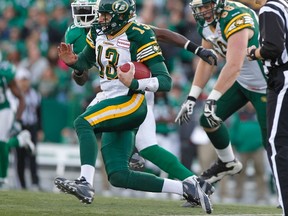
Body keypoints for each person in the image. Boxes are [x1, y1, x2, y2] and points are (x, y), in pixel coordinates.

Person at [54, 0, 212, 213]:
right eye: (98, 14)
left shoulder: (137, 32)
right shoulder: (94, 31)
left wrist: (196, 49)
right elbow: (82, 67)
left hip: (133, 97)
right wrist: (73, 63)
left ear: (120, 16)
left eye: (104, 15)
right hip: (109, 95)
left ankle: (85, 182)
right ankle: (187, 186)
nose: (98, 19)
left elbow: (165, 80)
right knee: (118, 175)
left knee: (84, 123)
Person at [175, 0, 267, 185]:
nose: (202, 12)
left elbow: (234, 65)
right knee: (208, 119)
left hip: (266, 84)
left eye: (206, 6)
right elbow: (207, 59)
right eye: (199, 8)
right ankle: (227, 162)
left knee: (273, 142)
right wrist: (192, 96)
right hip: (241, 83)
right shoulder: (207, 23)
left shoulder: (237, 17)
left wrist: (212, 99)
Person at [247, 0, 288, 214]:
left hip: (283, 78)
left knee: (278, 143)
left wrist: (255, 53)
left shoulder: (269, 7)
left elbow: (273, 47)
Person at [0, 60, 35, 189]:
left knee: (1, 142)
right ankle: (21, 140)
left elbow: (21, 98)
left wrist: (18, 121)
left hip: (4, 109)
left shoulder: (4, 73)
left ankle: (2, 179)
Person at [14, 67, 42, 191]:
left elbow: (38, 112)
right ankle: (22, 184)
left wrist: (40, 129)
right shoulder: (13, 95)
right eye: (22, 80)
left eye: (26, 80)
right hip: (19, 127)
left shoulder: (35, 94)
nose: (24, 83)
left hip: (31, 127)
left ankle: (35, 182)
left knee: (32, 155)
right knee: (19, 157)